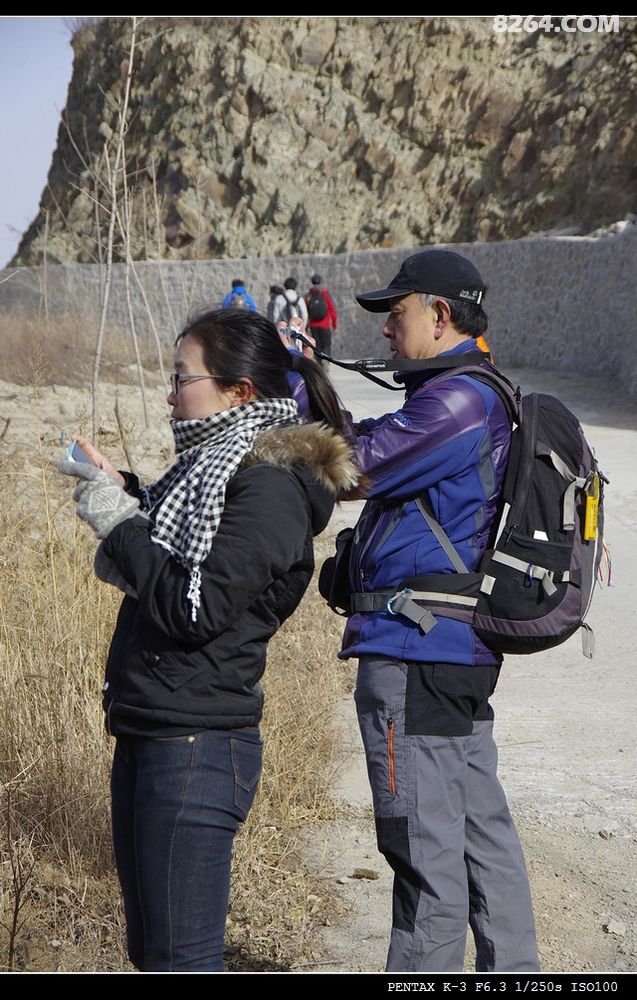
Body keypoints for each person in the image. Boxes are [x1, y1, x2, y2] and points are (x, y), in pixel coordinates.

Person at [58, 309, 358, 972]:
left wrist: (120, 525)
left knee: (181, 962)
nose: (170, 394)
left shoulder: (269, 489)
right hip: (152, 728)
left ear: (238, 392)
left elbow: (195, 606)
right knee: (154, 955)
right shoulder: (209, 474)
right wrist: (123, 494)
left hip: (194, 746)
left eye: (180, 377)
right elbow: (176, 545)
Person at [340, 249, 539, 973]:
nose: (386, 331)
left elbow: (354, 466)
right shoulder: (472, 394)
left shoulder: (457, 401)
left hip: (418, 654)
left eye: (395, 314)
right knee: (479, 834)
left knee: (424, 855)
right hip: (450, 654)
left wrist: (296, 413)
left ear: (439, 313)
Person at [305, 273, 338, 366]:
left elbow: (306, 312)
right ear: (321, 282)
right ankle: (326, 360)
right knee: (326, 344)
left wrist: (307, 326)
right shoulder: (324, 294)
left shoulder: (308, 296)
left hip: (313, 325)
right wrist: (334, 324)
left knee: (317, 345)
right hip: (325, 324)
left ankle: (319, 362)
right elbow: (332, 309)